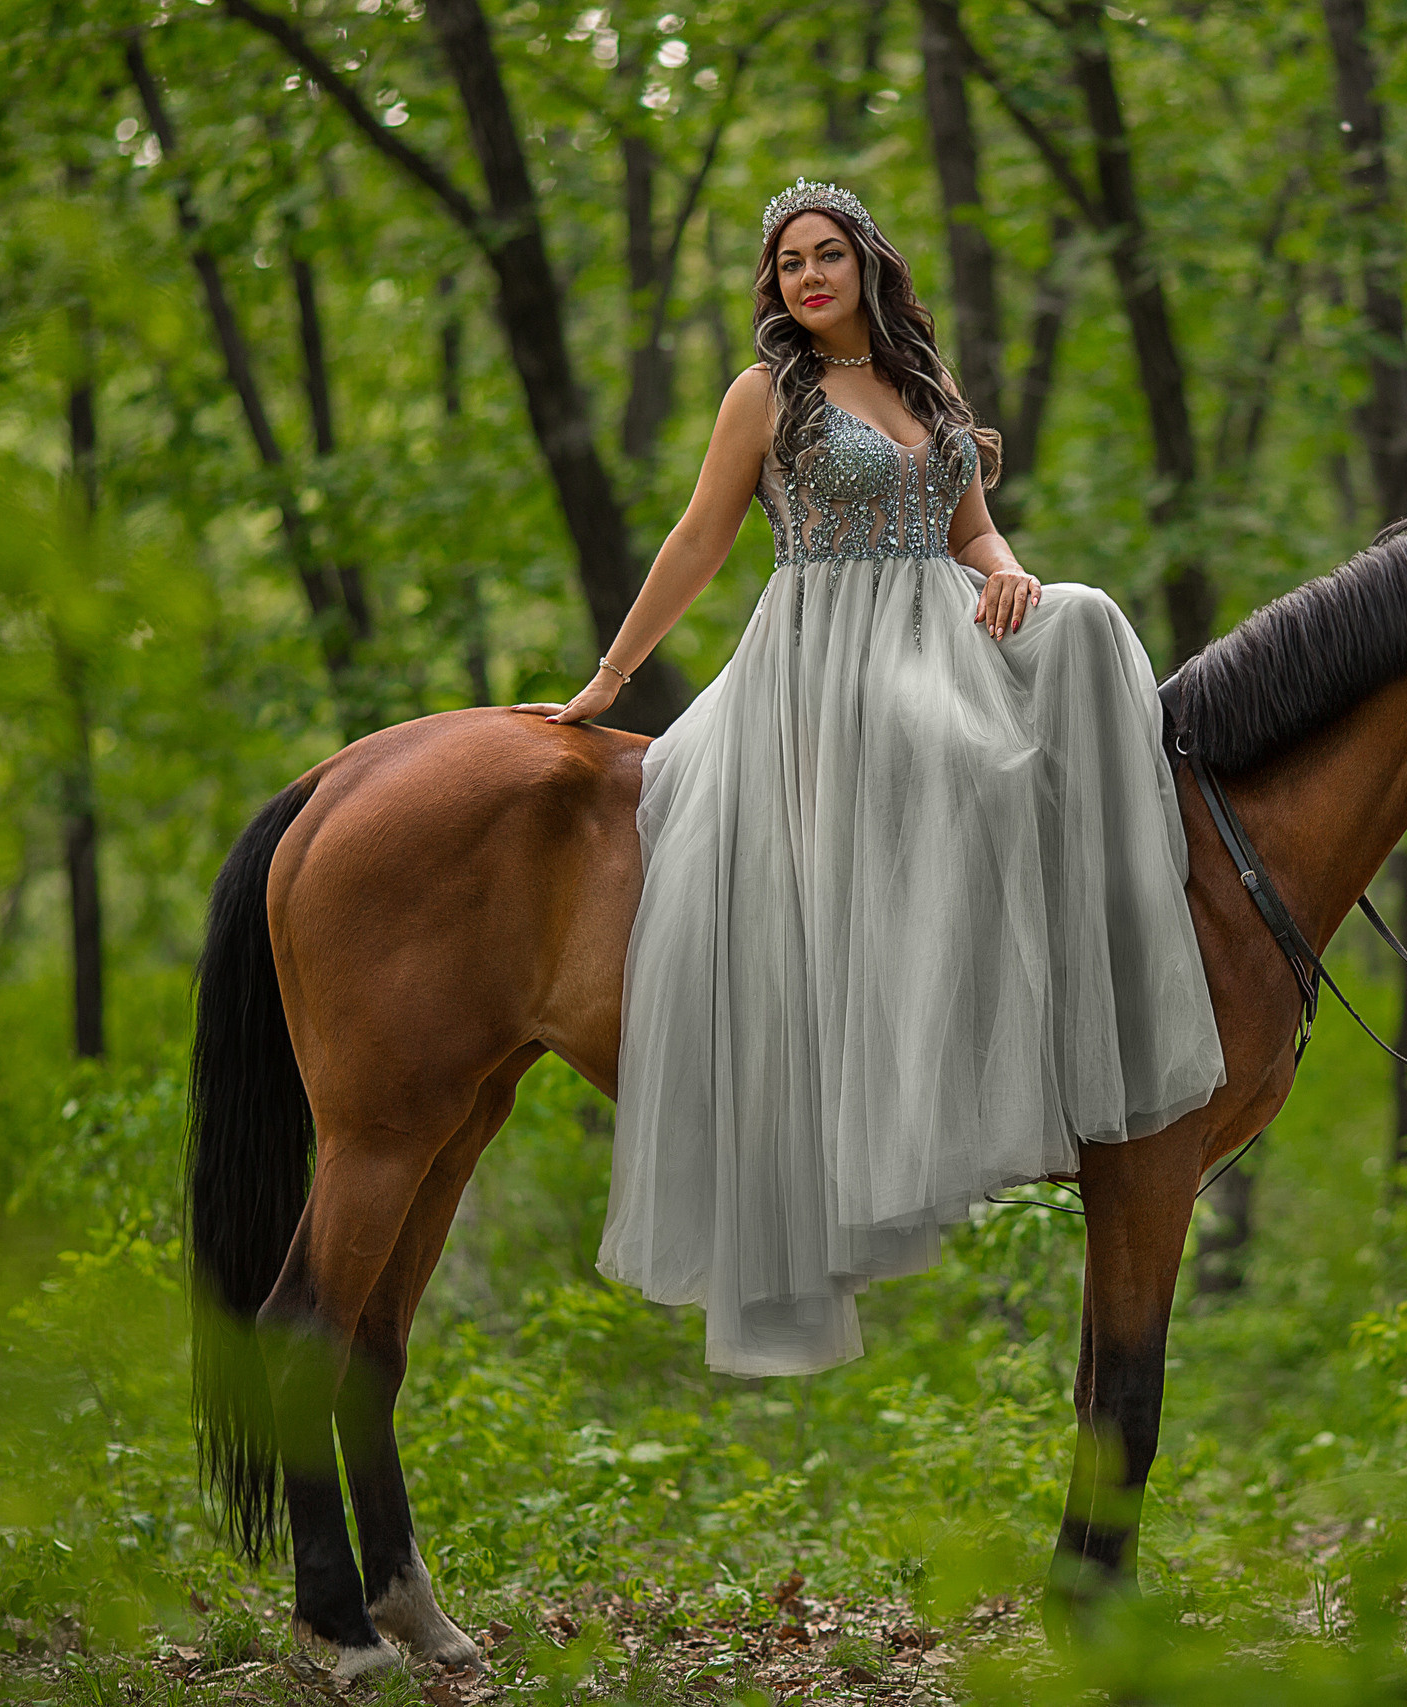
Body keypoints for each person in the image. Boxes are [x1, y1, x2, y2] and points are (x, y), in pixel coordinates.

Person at [514, 180, 1224, 1376]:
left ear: (865, 265)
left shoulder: (922, 389)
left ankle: (1085, 963)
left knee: (1089, 621)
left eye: (826, 254)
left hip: (942, 617)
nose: (807, 277)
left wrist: (1007, 571)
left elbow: (971, 531)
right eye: (787, 261)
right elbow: (699, 538)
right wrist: (609, 678)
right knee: (959, 753)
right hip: (827, 655)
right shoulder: (768, 397)